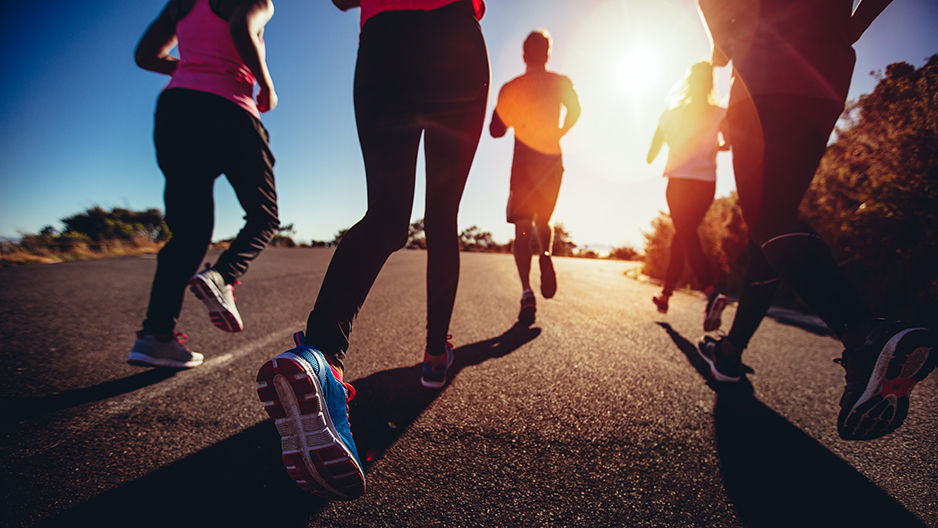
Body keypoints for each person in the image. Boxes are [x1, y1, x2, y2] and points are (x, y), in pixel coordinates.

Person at [255, 0, 488, 500]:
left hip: (385, 41)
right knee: (442, 217)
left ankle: (322, 358)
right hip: (454, 38)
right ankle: (433, 354)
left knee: (386, 215)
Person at [696, 0, 935, 440]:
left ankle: (865, 334)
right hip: (826, 67)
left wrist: (724, 40)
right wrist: (851, 26)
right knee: (772, 222)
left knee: (766, 217)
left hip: (765, 60)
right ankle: (730, 351)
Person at [129, 0, 279, 369]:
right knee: (264, 216)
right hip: (230, 109)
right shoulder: (257, 1)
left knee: (189, 233)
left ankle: (156, 336)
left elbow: (146, 56)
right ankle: (223, 276)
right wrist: (266, 85)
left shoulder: (182, 3)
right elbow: (241, 29)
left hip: (177, 108)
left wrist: (191, 65)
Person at [490, 30, 581, 326]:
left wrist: (514, 114)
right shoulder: (560, 82)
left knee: (522, 228)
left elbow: (495, 129)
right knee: (544, 220)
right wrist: (558, 132)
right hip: (552, 161)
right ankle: (545, 254)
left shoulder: (512, 87)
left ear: (523, 55)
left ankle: (527, 291)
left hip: (523, 166)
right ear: (547, 54)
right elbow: (576, 110)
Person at [646, 61, 729, 332]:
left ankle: (711, 292)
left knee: (686, 234)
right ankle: (666, 295)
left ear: (688, 83)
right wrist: (714, 145)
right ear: (710, 85)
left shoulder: (671, 114)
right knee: (683, 234)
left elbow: (651, 154)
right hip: (706, 183)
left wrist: (673, 140)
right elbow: (728, 142)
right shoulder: (719, 113)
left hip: (679, 182)